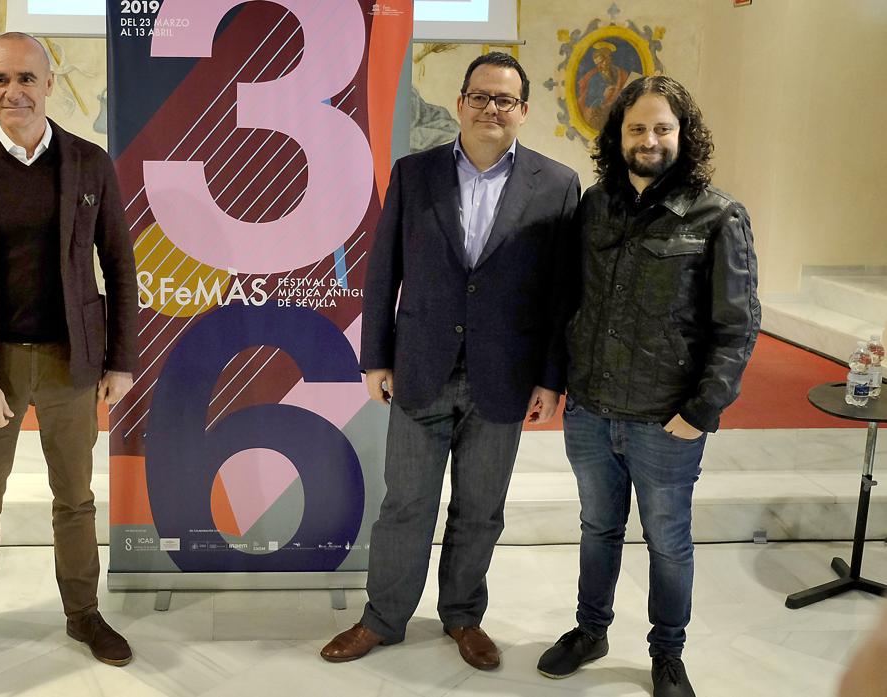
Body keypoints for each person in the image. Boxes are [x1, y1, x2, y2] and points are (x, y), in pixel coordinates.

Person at [320, 52, 581, 668]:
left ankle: (463, 617)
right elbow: (384, 270)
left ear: (522, 111)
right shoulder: (415, 174)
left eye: (505, 100)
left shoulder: (557, 185)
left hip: (506, 376)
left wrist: (551, 377)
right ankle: (383, 619)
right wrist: (375, 356)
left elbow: (560, 295)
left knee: (481, 508)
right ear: (461, 103)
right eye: (481, 96)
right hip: (421, 367)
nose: (492, 108)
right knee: (406, 503)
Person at [536, 76, 759, 697]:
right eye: (637, 128)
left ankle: (667, 653)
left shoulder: (719, 215)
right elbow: (568, 301)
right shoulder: (594, 205)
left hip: (666, 419)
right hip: (590, 409)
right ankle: (591, 630)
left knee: (668, 541)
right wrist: (562, 385)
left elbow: (737, 327)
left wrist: (701, 411)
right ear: (619, 135)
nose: (650, 139)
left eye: (663, 128)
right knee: (597, 528)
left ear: (683, 136)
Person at [0, 32, 138, 693]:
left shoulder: (90, 164)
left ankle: (84, 613)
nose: (12, 91)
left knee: (75, 499)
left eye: (26, 77)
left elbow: (120, 266)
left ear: (50, 83)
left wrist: (120, 358)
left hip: (70, 364)